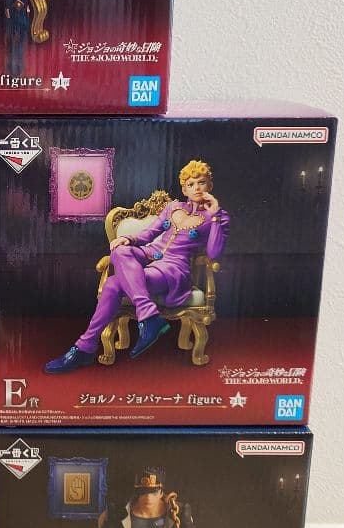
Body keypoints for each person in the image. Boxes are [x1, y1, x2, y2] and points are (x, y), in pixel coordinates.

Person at [45, 159, 230, 373]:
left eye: (202, 182)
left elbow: (214, 252)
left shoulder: (218, 217)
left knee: (113, 284)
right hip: (149, 254)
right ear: (184, 189)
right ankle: (148, 315)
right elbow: (149, 234)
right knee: (119, 250)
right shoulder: (173, 208)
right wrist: (129, 239)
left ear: (209, 185)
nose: (197, 187)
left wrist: (215, 216)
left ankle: (84, 348)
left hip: (174, 269)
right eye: (191, 184)